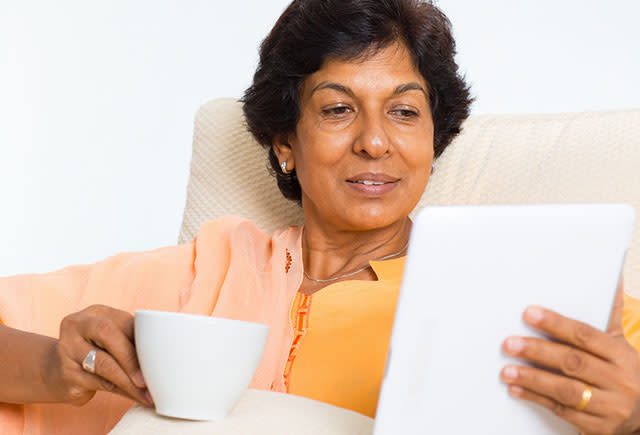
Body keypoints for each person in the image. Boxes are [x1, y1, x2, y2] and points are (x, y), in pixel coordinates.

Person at [2, 0, 640, 433]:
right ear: (285, 142)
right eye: (338, 110)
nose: (375, 141)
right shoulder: (207, 269)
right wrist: (59, 369)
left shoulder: (522, 291)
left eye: (405, 111)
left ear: (433, 137)